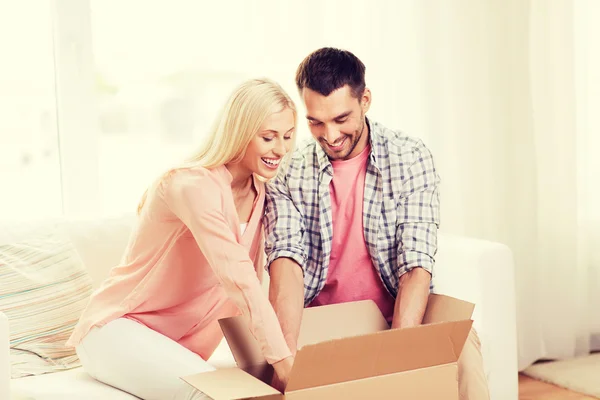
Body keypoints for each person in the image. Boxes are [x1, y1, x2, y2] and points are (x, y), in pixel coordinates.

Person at [264, 47, 490, 399]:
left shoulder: (410, 157)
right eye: (315, 122)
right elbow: (286, 265)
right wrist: (285, 361)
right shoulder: (289, 169)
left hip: (397, 315)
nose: (330, 135)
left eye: (341, 119)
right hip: (325, 323)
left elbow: (415, 266)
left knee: (463, 351)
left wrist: (397, 357)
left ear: (365, 100)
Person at [66, 78, 296, 400]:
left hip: (176, 348)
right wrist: (282, 360)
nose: (281, 149)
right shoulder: (191, 186)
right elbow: (238, 277)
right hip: (114, 331)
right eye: (268, 137)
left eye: (287, 137)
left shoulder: (263, 197)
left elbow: (250, 293)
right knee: (211, 393)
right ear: (241, 131)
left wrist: (271, 365)